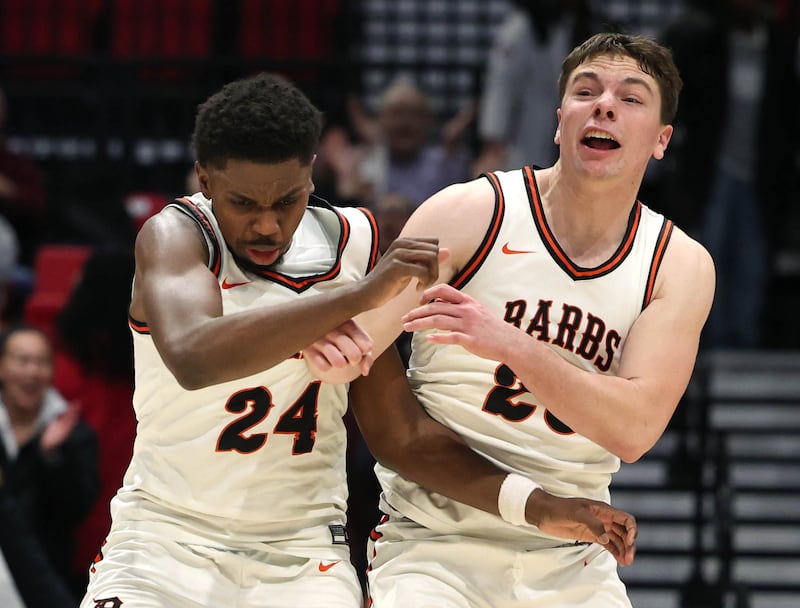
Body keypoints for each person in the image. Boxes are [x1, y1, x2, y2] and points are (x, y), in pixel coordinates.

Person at [80, 72, 637, 608]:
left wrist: (540, 507)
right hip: (165, 540)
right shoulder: (176, 235)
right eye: (244, 204)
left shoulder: (356, 242)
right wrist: (360, 297)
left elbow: (403, 437)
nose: (268, 226)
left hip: (300, 555)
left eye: (287, 200)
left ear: (312, 175)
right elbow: (194, 354)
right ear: (205, 180)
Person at [305, 32, 715, 607]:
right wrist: (337, 329)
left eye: (631, 97)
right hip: (433, 547)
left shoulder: (678, 265)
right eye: (586, 90)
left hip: (572, 557)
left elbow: (634, 430)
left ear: (661, 139)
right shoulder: (470, 212)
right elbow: (356, 347)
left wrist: (510, 344)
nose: (604, 105)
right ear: (559, 121)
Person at [660, 0, 799, 348]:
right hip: (715, 170)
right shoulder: (708, 42)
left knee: (752, 262)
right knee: (710, 257)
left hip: (761, 173)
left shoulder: (780, 45)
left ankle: (745, 340)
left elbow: (786, 115)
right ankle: (708, 344)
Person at [0, 324, 99, 602]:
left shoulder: (75, 433)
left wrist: (49, 457)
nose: (32, 371)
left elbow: (79, 507)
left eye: (42, 361)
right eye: (22, 360)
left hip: (47, 581)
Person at [473, 0, 597, 175]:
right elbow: (502, 89)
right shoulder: (519, 29)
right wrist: (493, 143)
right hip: (522, 135)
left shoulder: (576, 24)